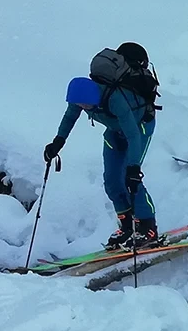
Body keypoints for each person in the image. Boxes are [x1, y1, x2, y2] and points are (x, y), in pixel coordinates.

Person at [44, 43, 161, 250]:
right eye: (79, 105)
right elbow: (69, 117)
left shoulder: (115, 100)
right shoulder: (81, 96)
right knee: (111, 181)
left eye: (84, 106)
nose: (81, 108)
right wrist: (57, 143)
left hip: (140, 128)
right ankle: (127, 226)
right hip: (115, 133)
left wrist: (134, 167)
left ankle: (147, 227)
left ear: (93, 99)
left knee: (130, 179)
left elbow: (133, 136)